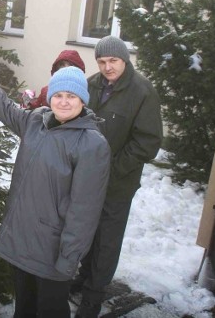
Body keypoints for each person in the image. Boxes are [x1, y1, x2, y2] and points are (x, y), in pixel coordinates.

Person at [0, 63, 111, 317]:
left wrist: (69, 258)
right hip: (23, 240)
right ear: (50, 96)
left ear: (83, 100)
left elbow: (84, 212)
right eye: (58, 95)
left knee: (50, 310)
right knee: (24, 307)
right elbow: (6, 108)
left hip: (53, 250)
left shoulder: (91, 144)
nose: (63, 102)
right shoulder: (36, 121)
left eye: (71, 96)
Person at [74, 35, 163, 318]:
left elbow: (147, 142)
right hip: (87, 178)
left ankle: (93, 296)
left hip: (118, 181)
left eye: (113, 60)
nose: (107, 67)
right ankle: (83, 277)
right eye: (101, 61)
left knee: (107, 240)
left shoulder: (142, 91)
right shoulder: (91, 85)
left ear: (124, 59)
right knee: (87, 232)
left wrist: (112, 169)